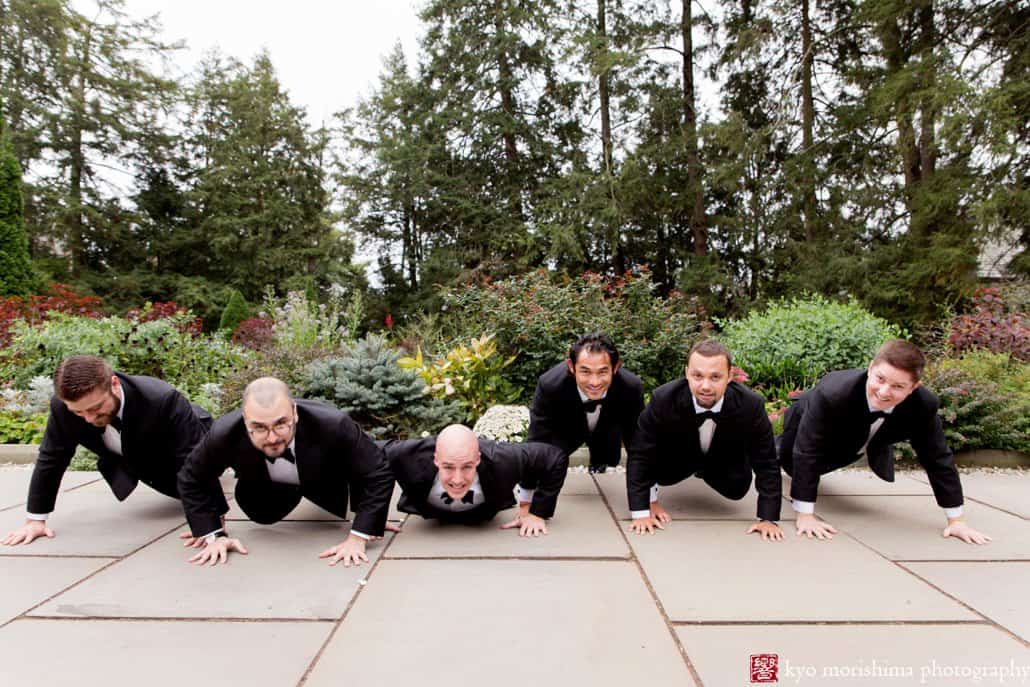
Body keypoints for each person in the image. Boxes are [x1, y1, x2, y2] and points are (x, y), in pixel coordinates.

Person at [779, 339, 991, 544]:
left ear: (914, 387)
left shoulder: (923, 406)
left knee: (829, 460)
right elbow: (807, 450)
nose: (884, 392)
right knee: (783, 461)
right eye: (880, 379)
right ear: (870, 368)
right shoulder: (833, 392)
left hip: (852, 442)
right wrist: (805, 515)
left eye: (898, 386)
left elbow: (937, 458)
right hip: (803, 422)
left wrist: (956, 520)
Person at [2, 355, 226, 547]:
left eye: (96, 408)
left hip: (198, 438)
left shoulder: (162, 399)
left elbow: (193, 458)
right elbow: (52, 457)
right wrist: (35, 520)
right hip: (143, 461)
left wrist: (210, 527)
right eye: (79, 413)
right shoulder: (64, 409)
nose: (88, 419)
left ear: (115, 384)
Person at [177, 377, 394, 566]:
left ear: (295, 413)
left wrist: (363, 528)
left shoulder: (333, 423)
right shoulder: (224, 433)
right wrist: (212, 532)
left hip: (329, 480)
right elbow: (191, 477)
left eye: (281, 424)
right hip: (262, 499)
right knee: (262, 513)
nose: (272, 437)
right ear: (245, 420)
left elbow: (377, 472)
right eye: (260, 427)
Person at [626, 341, 783, 540]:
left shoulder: (751, 406)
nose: (705, 386)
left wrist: (768, 519)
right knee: (655, 461)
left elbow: (767, 461)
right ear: (687, 373)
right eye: (697, 376)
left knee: (737, 488)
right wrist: (642, 511)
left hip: (724, 463)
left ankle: (712, 472)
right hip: (676, 461)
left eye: (715, 377)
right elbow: (641, 454)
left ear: (730, 377)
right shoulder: (663, 399)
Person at [383, 424, 568, 536]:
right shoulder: (408, 455)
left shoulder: (503, 459)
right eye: (448, 467)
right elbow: (368, 456)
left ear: (478, 459)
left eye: (467, 467)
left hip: (482, 516)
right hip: (430, 515)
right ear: (436, 459)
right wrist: (371, 515)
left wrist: (537, 513)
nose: (457, 480)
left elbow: (555, 457)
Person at [527, 333, 644, 473]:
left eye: (602, 372)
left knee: (609, 460)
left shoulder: (630, 386)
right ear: (571, 366)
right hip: (567, 428)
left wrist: (647, 488)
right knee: (551, 460)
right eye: (585, 372)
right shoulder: (550, 385)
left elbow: (637, 442)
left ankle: (600, 463)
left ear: (615, 368)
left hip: (607, 429)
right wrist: (528, 489)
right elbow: (537, 439)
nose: (594, 382)